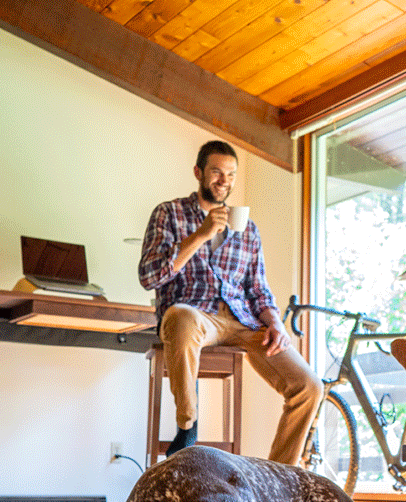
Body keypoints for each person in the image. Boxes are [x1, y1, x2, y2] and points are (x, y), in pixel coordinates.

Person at [138, 139, 325, 465]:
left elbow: (258, 288)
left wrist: (275, 322)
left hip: (243, 320)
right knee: (179, 317)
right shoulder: (169, 213)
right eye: (216, 172)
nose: (224, 180)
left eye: (231, 174)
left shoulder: (248, 229)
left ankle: (278, 477)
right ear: (198, 172)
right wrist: (200, 235)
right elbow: (149, 277)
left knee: (310, 387)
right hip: (195, 313)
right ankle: (187, 423)